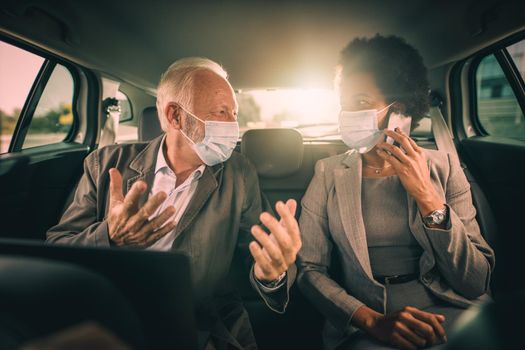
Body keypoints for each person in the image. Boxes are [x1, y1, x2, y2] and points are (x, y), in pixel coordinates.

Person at [47, 57, 302, 350]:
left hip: (202, 324)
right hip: (110, 319)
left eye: (234, 114)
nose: (233, 125)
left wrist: (272, 274)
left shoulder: (239, 172)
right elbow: (56, 250)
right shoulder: (105, 164)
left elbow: (259, 252)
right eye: (221, 112)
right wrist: (110, 238)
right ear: (175, 116)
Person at [297, 35, 495, 350]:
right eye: (344, 103)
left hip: (452, 308)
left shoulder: (444, 167)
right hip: (370, 320)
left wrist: (428, 197)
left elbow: (474, 280)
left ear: (399, 111)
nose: (347, 115)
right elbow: (309, 269)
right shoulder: (327, 172)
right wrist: (369, 320)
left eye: (360, 102)